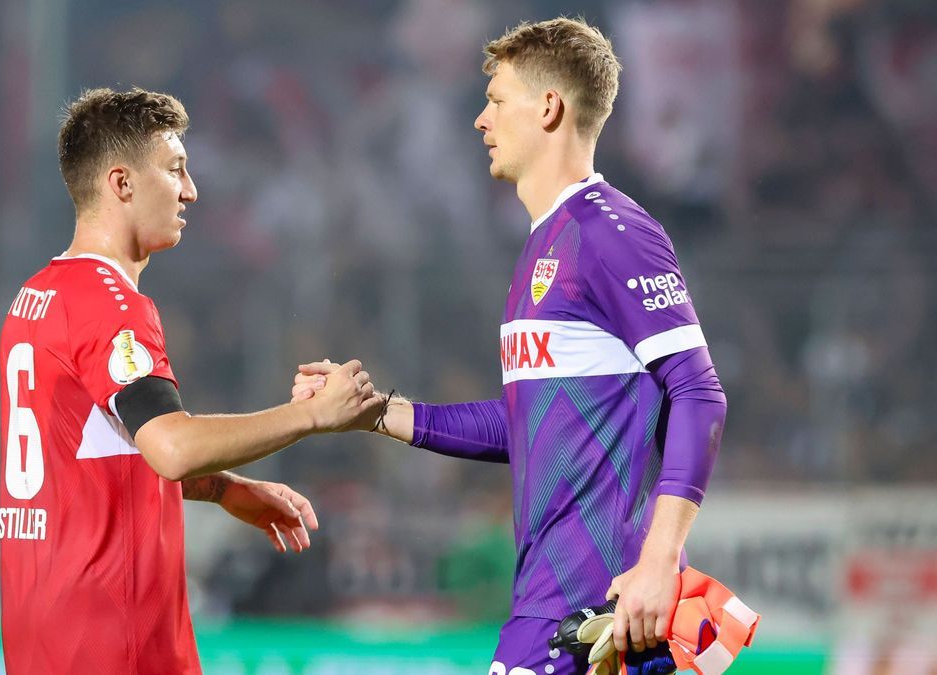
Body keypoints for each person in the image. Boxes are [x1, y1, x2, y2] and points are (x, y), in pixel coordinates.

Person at [295, 18, 727, 675]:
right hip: (562, 611)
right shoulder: (543, 243)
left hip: (596, 612)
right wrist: (375, 410)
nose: (480, 120)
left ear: (548, 107)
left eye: (496, 100)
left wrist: (661, 561)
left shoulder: (610, 230)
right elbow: (535, 422)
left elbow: (699, 391)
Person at [0, 87, 377, 674]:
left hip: (47, 641)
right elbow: (171, 447)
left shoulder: (37, 297)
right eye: (175, 170)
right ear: (122, 183)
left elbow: (93, 463)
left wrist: (223, 488)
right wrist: (312, 414)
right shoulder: (111, 305)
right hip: (113, 644)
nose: (190, 190)